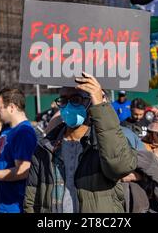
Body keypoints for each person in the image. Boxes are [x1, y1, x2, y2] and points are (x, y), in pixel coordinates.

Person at [24, 72, 137, 213]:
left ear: (90, 101)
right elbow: (31, 198)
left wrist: (100, 106)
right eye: (64, 100)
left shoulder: (104, 141)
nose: (69, 105)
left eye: (76, 99)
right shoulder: (45, 146)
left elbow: (120, 167)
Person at [0, 88, 37, 213]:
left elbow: (23, 171)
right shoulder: (8, 130)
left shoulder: (24, 132)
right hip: (0, 204)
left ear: (12, 107)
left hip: (13, 207)